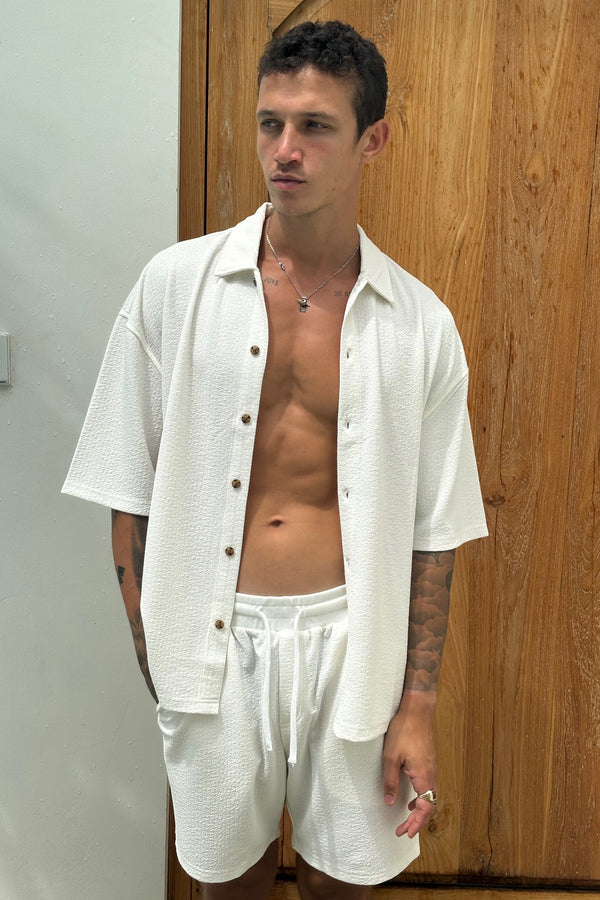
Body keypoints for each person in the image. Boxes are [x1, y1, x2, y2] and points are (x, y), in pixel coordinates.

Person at [63, 19, 488, 899]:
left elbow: (434, 528)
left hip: (354, 646)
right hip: (212, 644)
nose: (284, 150)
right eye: (270, 123)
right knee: (229, 885)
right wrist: (159, 660)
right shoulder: (174, 288)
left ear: (373, 140)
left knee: (345, 884)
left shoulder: (421, 325)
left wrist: (418, 705)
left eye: (315, 126)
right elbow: (125, 487)